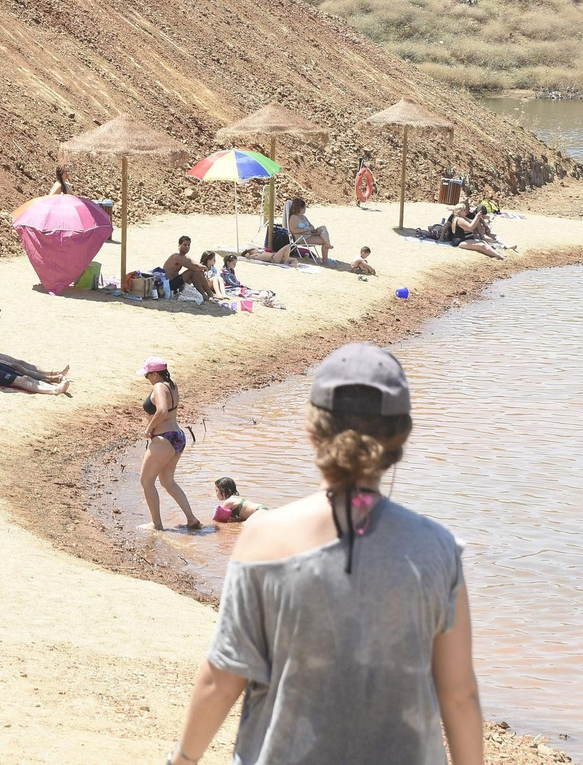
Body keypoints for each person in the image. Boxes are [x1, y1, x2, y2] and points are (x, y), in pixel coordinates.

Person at [167, 343, 480, 765]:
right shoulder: (438, 550)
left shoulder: (263, 538)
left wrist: (182, 761)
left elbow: (222, 679)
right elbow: (459, 697)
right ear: (400, 438)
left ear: (312, 430)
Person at [138, 357, 201, 531]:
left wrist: (148, 429)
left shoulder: (158, 387)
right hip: (178, 436)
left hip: (164, 438)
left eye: (147, 375)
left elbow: (162, 410)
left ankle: (156, 524)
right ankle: (192, 519)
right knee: (167, 481)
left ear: (155, 374)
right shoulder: (171, 385)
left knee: (146, 481)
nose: (147, 378)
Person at [287, 198, 332, 263]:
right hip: (302, 237)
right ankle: (325, 259)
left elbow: (311, 226)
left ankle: (327, 245)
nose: (305, 209)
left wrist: (311, 229)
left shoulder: (303, 216)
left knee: (323, 228)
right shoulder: (293, 217)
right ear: (300, 208)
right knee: (324, 240)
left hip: (308, 234)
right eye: (304, 207)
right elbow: (293, 231)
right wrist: (305, 229)